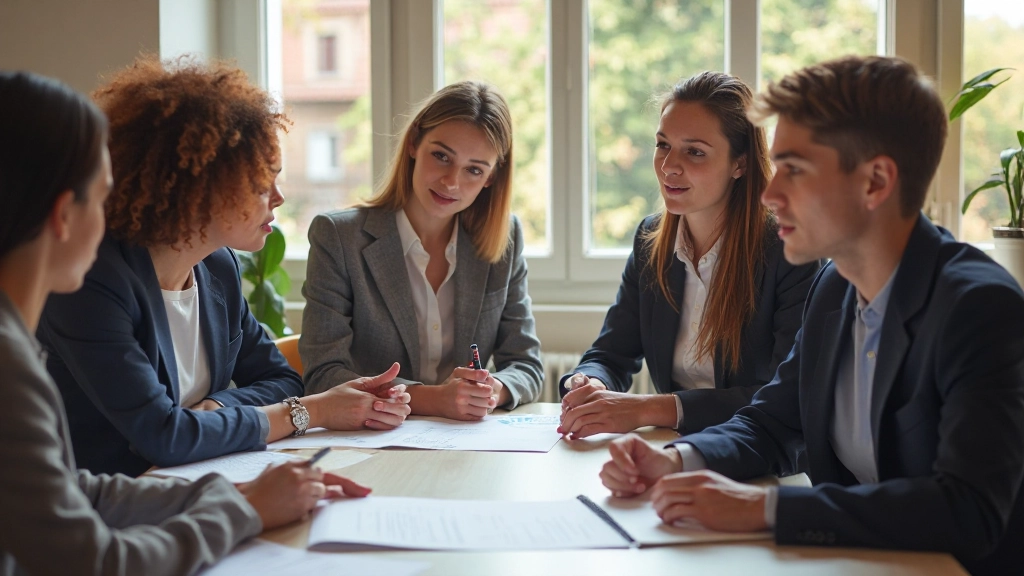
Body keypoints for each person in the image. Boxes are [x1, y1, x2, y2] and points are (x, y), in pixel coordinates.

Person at [599, 56, 1024, 576]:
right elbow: (773, 423)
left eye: (795, 171)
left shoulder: (978, 308)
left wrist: (765, 509)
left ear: (875, 182)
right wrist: (675, 461)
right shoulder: (834, 287)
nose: (771, 194)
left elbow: (969, 511)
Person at [0, 70, 371, 576]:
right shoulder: (14, 359)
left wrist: (229, 491)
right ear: (66, 214)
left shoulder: (15, 343)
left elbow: (70, 489)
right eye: (104, 193)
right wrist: (243, 510)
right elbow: (96, 560)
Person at [37, 56, 411, 478]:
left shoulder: (217, 267)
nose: (278, 197)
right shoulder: (92, 282)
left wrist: (217, 407)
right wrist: (312, 411)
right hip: (103, 509)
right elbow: (164, 436)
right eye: (259, 183)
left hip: (195, 484)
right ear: (195, 188)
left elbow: (282, 379)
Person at [558, 72, 820, 439]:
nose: (668, 166)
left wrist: (649, 408)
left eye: (694, 151)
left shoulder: (790, 250)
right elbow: (611, 354)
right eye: (663, 144)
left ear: (740, 164)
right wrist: (588, 384)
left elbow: (782, 395)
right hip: (672, 448)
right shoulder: (651, 242)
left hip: (760, 456)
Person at [301, 81, 543, 420]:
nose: (451, 182)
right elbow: (323, 375)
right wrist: (432, 399)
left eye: (474, 169)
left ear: (491, 178)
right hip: (369, 440)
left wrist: (489, 392)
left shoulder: (506, 239)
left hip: (466, 445)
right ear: (414, 142)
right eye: (441, 156)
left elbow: (526, 366)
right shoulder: (339, 237)